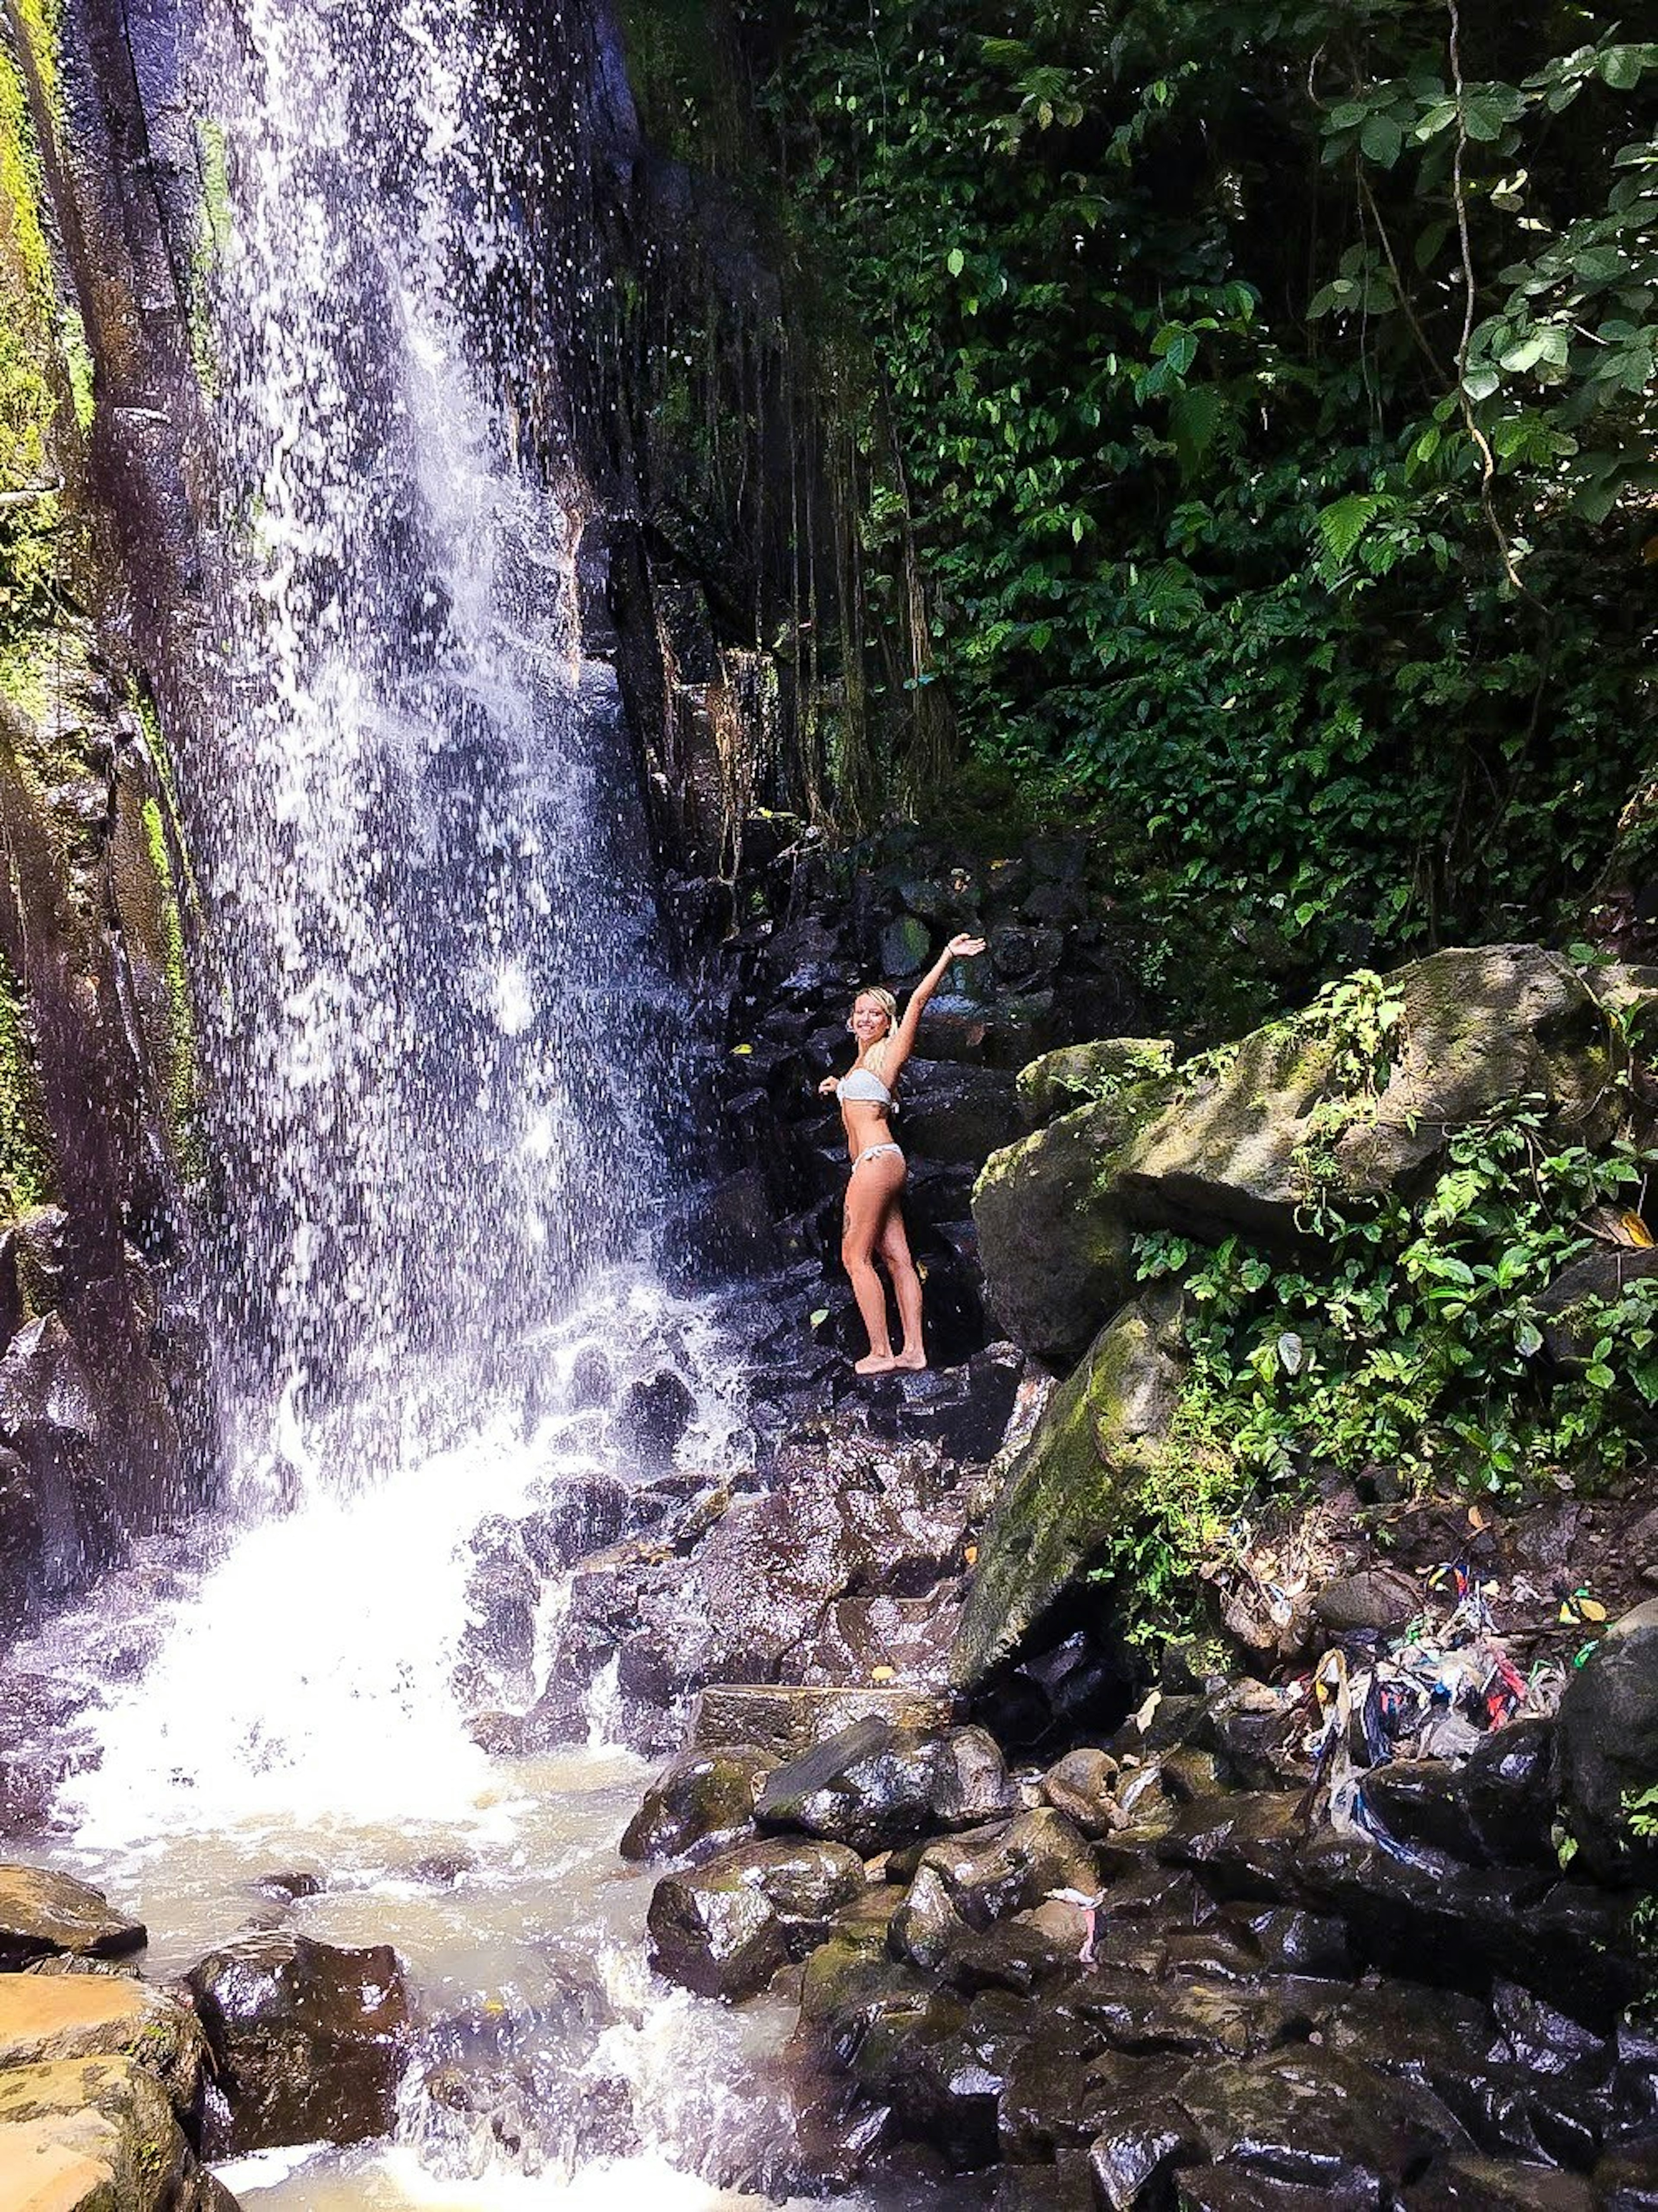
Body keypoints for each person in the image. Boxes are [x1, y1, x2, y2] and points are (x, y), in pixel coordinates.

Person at [818, 931, 987, 1373]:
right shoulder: (861, 1062)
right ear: (851, 1020)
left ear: (887, 1021)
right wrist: (838, 1087)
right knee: (897, 1257)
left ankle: (881, 1352)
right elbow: (862, 1097)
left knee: (854, 1257)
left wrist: (948, 955)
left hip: (874, 1163)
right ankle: (914, 1350)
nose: (867, 1018)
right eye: (861, 1013)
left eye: (875, 1013)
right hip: (886, 1160)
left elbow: (917, 1003)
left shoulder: (889, 1054)